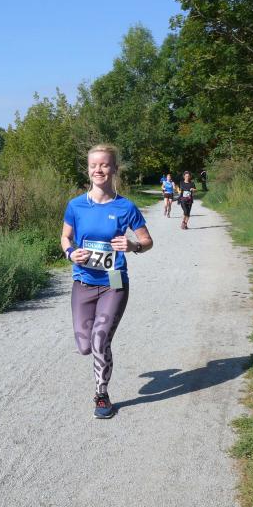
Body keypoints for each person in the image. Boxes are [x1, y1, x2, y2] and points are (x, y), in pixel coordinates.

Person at [61, 143, 154, 418]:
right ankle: (97, 363)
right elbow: (65, 237)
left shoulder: (126, 207)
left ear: (114, 168)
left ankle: (101, 395)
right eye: (93, 165)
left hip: (114, 282)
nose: (98, 169)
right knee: (84, 347)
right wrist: (70, 252)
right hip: (83, 282)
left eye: (104, 165)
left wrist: (134, 245)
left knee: (100, 340)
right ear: (88, 169)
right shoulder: (76, 205)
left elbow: (148, 241)